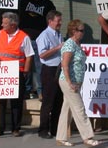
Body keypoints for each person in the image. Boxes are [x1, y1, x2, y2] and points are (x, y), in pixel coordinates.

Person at [56, 19, 100, 147]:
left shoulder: (77, 44)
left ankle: (61, 137)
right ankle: (88, 137)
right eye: (81, 30)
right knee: (79, 108)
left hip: (76, 81)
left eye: (83, 30)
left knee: (67, 109)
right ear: (73, 31)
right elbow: (65, 64)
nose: (83, 33)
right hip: (69, 82)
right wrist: (70, 83)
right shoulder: (69, 44)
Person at [0, 12, 33, 137]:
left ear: (13, 24)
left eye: (4, 23)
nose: (2, 25)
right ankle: (0, 128)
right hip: (1, 72)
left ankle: (16, 128)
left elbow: (29, 56)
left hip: (17, 73)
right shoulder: (0, 34)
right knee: (1, 101)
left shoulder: (23, 37)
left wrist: (25, 72)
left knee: (16, 102)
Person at [18, 0, 56, 100]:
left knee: (40, 67)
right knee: (26, 67)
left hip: (40, 40)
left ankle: (41, 91)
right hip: (25, 38)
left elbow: (53, 20)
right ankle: (26, 90)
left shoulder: (48, 4)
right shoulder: (24, 1)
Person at [36, 10, 64, 139]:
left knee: (58, 100)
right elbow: (42, 54)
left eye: (60, 20)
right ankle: (43, 130)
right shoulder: (44, 35)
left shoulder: (58, 34)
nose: (60, 23)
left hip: (59, 69)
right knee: (48, 101)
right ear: (50, 21)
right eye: (58, 21)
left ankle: (55, 129)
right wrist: (57, 48)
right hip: (49, 69)